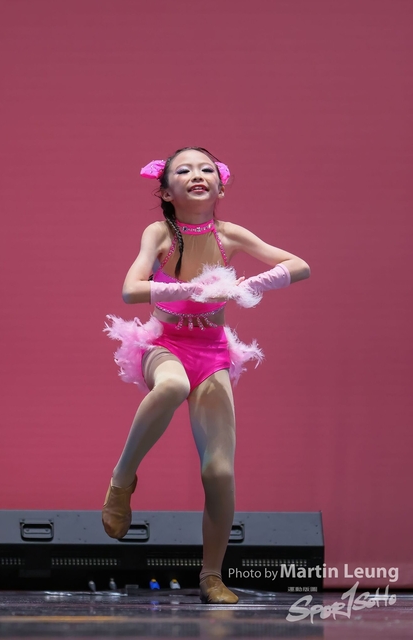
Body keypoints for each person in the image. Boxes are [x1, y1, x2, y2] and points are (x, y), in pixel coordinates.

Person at [103, 146, 311, 604]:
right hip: (163, 343)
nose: (197, 174)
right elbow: (130, 289)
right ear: (166, 191)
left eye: (206, 169)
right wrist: (191, 288)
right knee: (173, 385)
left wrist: (247, 286)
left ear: (221, 187)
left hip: (212, 352)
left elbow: (300, 265)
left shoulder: (229, 234)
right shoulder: (159, 233)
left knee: (218, 471)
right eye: (184, 170)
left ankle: (211, 575)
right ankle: (122, 479)